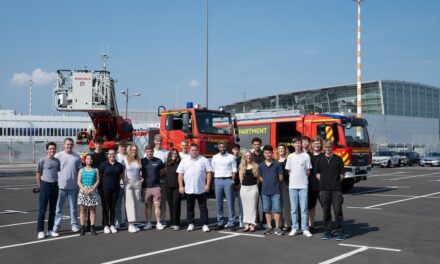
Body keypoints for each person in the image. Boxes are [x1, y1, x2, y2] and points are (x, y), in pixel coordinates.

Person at [177, 143, 213, 232]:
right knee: (190, 208)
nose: (194, 152)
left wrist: (208, 185)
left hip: (201, 189)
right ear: (189, 151)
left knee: (203, 208)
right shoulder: (184, 160)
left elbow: (209, 172)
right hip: (189, 189)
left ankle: (205, 224)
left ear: (198, 150)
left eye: (195, 150)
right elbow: (180, 174)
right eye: (192, 150)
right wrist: (181, 186)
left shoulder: (203, 160)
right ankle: (190, 224)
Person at [316, 139, 346, 241]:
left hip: (336, 190)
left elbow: (342, 174)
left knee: (338, 211)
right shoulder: (319, 159)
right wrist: (325, 182)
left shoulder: (338, 159)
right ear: (323, 148)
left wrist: (335, 182)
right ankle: (327, 232)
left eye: (329, 147)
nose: (327, 149)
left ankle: (340, 232)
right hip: (324, 190)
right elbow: (318, 174)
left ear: (332, 147)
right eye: (325, 147)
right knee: (326, 212)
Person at [52, 138, 82, 237]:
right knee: (58, 208)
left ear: (73, 145)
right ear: (64, 145)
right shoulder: (58, 156)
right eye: (67, 144)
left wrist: (79, 184)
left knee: (73, 208)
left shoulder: (76, 157)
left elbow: (80, 172)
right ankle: (56, 226)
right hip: (60, 187)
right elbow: (53, 170)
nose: (69, 146)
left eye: (71, 144)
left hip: (73, 187)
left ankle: (74, 224)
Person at [285, 137, 313, 238]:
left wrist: (303, 180)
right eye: (295, 143)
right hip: (292, 186)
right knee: (294, 209)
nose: (297, 145)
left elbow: (308, 171)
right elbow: (289, 171)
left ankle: (305, 229)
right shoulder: (290, 156)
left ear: (301, 144)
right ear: (293, 145)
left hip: (303, 186)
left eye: (298, 143)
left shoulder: (306, 156)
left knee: (304, 208)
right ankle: (294, 228)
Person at [36, 142, 60, 239]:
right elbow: (38, 174)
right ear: (47, 150)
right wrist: (40, 186)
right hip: (45, 186)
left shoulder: (57, 161)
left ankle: (50, 230)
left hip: (55, 186)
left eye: (54, 148)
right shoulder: (42, 161)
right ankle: (40, 231)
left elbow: (57, 172)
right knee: (42, 210)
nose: (52, 150)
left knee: (53, 210)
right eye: (50, 148)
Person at [212, 141, 237, 231]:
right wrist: (213, 181)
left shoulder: (231, 157)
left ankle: (232, 223)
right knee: (219, 202)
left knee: (230, 202)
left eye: (223, 147)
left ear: (226, 147)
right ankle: (220, 222)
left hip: (228, 180)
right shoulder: (214, 157)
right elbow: (213, 170)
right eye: (220, 147)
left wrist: (232, 181)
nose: (222, 148)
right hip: (217, 180)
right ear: (218, 148)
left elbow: (234, 170)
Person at [259, 145, 284, 236]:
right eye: (266, 153)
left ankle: (277, 227)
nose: (268, 154)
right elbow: (261, 178)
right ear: (264, 154)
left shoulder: (277, 164)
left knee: (277, 210)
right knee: (267, 210)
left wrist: (273, 183)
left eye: (269, 152)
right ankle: (269, 227)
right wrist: (267, 184)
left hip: (276, 191)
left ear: (272, 153)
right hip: (265, 191)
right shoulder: (261, 165)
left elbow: (280, 177)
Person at [99, 149, 124, 234]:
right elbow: (100, 176)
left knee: (113, 207)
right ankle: (106, 225)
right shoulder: (103, 165)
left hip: (116, 188)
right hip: (105, 189)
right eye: (110, 154)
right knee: (106, 207)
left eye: (113, 154)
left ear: (115, 155)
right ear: (107, 155)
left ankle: (112, 224)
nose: (111, 155)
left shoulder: (119, 165)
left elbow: (121, 176)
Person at [141, 145, 165, 230]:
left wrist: (156, 178)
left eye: (150, 151)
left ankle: (158, 223)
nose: (149, 153)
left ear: (153, 151)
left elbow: (162, 172)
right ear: (145, 152)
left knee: (157, 205)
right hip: (145, 187)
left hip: (156, 186)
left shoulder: (159, 161)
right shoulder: (142, 161)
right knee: (147, 206)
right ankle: (148, 223)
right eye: (147, 151)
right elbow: (137, 172)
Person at [86, 136, 107, 231]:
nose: (98, 145)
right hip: (92, 183)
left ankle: (105, 223)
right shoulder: (91, 156)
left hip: (103, 183)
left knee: (104, 204)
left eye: (100, 143)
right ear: (94, 144)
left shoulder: (105, 156)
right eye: (97, 143)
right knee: (90, 204)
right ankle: (89, 224)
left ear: (102, 144)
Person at [77, 154, 100, 236]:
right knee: (82, 210)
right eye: (87, 158)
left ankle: (92, 227)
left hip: (92, 191)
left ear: (92, 160)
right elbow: (79, 182)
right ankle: (82, 228)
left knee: (92, 211)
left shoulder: (95, 170)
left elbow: (97, 181)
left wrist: (91, 189)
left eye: (90, 159)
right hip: (83, 191)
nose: (89, 160)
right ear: (85, 160)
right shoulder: (81, 170)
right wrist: (84, 189)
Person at [124, 144, 143, 233]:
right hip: (128, 183)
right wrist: (125, 180)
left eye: (135, 150)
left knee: (136, 203)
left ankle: (133, 223)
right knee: (130, 203)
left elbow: (140, 171)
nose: (134, 152)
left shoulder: (138, 160)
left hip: (137, 183)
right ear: (130, 150)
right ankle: (130, 225)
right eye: (133, 150)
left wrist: (141, 177)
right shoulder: (125, 160)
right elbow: (123, 172)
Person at [239, 151, 259, 232]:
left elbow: (257, 179)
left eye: (250, 155)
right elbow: (241, 178)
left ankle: (253, 224)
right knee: (245, 206)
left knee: (253, 207)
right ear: (244, 157)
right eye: (246, 155)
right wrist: (243, 187)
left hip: (253, 188)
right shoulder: (241, 166)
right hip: (244, 188)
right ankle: (247, 224)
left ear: (252, 156)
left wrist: (256, 187)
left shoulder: (256, 165)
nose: (248, 157)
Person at [274, 143, 291, 232]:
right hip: (276, 184)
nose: (281, 150)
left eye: (282, 148)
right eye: (279, 148)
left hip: (285, 184)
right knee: (277, 204)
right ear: (277, 150)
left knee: (286, 205)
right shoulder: (274, 160)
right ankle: (279, 223)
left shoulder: (289, 159)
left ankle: (287, 224)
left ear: (285, 150)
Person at [308, 136, 324, 233]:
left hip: (322, 185)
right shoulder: (307, 155)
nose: (316, 145)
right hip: (310, 185)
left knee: (325, 206)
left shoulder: (324, 156)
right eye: (315, 143)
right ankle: (311, 225)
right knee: (311, 207)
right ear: (312, 145)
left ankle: (327, 225)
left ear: (321, 144)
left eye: (318, 143)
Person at [152, 134, 169, 226]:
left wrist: (163, 171)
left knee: (162, 201)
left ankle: (163, 219)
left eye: (160, 140)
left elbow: (167, 166)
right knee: (151, 202)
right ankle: (150, 221)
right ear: (154, 141)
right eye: (157, 140)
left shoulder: (166, 153)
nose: (159, 142)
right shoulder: (151, 152)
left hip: (162, 180)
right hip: (152, 181)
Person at [165, 148, 182, 230]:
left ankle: (177, 223)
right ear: (170, 155)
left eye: (175, 153)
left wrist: (182, 186)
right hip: (168, 187)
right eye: (173, 153)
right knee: (171, 205)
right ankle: (172, 221)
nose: (174, 155)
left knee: (176, 204)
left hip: (177, 187)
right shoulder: (166, 163)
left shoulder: (180, 163)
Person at [115, 139, 128, 229]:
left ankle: (128, 221)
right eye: (122, 147)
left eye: (125, 147)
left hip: (128, 183)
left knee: (128, 204)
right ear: (119, 147)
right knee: (118, 204)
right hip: (118, 183)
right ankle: (117, 222)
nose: (123, 148)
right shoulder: (116, 156)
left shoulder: (129, 156)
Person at [231, 144, 243, 228]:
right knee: (231, 204)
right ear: (232, 150)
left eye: (237, 149)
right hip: (230, 185)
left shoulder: (242, 159)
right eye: (235, 149)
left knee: (241, 204)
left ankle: (241, 221)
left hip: (240, 185)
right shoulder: (229, 158)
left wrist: (240, 184)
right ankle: (231, 221)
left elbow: (243, 172)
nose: (236, 151)